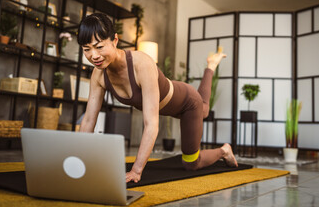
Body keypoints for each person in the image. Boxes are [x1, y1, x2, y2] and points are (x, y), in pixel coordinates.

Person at [78, 13, 238, 183]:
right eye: (87, 49)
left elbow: (151, 125)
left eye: (99, 47)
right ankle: (212, 65)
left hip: (187, 102)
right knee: (204, 108)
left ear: (115, 40)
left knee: (192, 161)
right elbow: (88, 120)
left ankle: (224, 150)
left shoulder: (141, 64)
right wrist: (78, 161)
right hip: (168, 107)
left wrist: (136, 171)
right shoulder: (98, 75)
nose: (93, 55)